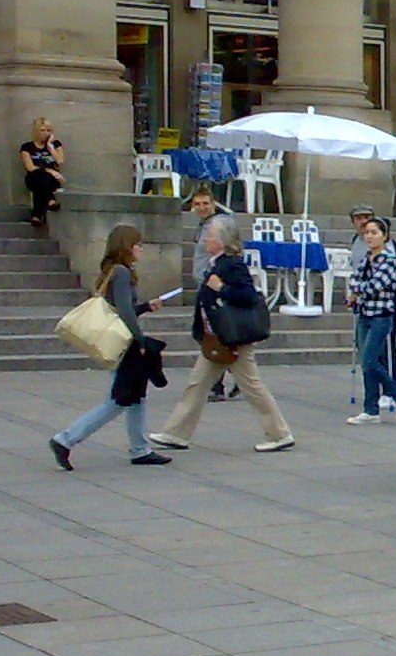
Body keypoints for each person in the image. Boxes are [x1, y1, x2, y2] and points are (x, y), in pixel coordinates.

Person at [148, 218, 296, 454]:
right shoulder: (215, 262)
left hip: (233, 338)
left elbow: (248, 296)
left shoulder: (232, 264)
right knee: (197, 384)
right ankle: (176, 433)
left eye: (211, 235)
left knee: (252, 386)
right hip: (216, 337)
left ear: (223, 241)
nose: (206, 239)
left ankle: (279, 434)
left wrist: (221, 288)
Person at [50, 225, 174, 470]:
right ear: (127, 246)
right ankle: (65, 439)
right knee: (118, 400)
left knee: (136, 397)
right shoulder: (123, 272)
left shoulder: (112, 270)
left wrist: (146, 307)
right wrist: (140, 339)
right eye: (137, 244)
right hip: (125, 342)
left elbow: (120, 309)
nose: (141, 249)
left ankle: (140, 449)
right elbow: (125, 311)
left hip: (120, 339)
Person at [346, 216, 396, 425]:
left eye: (374, 232)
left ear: (384, 236)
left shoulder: (389, 260)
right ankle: (371, 409)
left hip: (381, 315)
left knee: (370, 360)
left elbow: (376, 286)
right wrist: (358, 287)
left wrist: (358, 288)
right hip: (364, 313)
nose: (369, 236)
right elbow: (354, 279)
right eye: (366, 233)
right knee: (366, 363)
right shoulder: (366, 258)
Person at [186, 186, 240, 403]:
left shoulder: (221, 224)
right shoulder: (204, 224)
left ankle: (218, 384)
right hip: (204, 282)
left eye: (205, 203)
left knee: (210, 333)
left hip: (213, 284)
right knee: (206, 333)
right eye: (197, 204)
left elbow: (231, 250)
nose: (201, 208)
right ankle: (235, 374)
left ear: (214, 203)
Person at [20, 118, 65, 228]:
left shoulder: (56, 144)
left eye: (48, 131)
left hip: (52, 181)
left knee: (42, 183)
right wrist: (50, 171)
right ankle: (50, 200)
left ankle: (36, 215)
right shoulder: (27, 147)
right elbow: (30, 167)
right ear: (36, 131)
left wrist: (51, 148)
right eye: (42, 130)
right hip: (34, 178)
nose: (46, 133)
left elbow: (60, 161)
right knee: (41, 177)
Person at [347, 206, 378, 270]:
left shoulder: (382, 242)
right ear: (353, 222)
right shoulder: (355, 239)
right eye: (359, 218)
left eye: (366, 217)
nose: (364, 221)